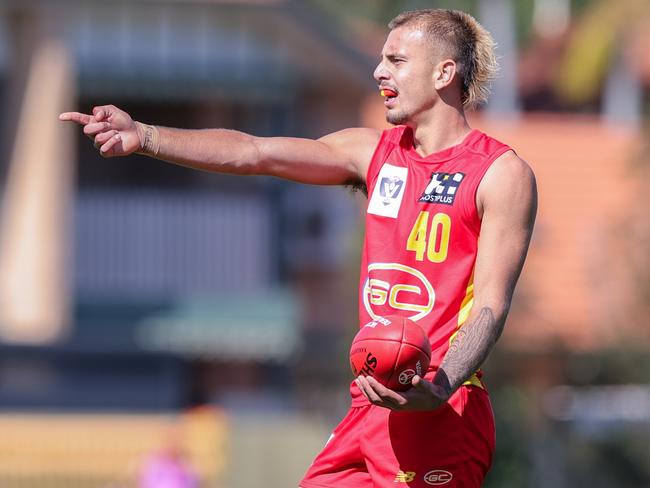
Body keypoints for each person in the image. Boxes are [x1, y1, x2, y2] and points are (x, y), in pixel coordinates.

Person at [61, 8, 537, 488]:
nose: (379, 72)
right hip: (368, 405)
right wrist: (145, 136)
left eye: (395, 60)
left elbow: (491, 307)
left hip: (441, 406)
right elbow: (254, 152)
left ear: (444, 72)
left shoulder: (500, 173)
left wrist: (440, 385)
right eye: (381, 60)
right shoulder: (372, 152)